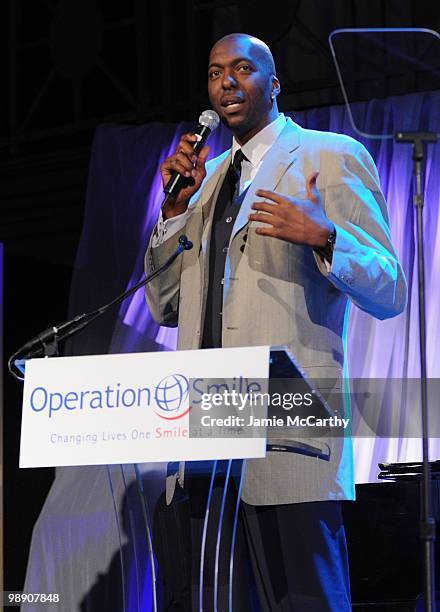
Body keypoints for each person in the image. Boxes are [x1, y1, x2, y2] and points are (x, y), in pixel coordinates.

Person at [145, 33, 407, 611]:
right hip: (206, 425)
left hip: (286, 419)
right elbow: (164, 306)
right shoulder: (205, 180)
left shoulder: (329, 155)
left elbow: (390, 288)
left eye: (243, 69)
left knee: (303, 599)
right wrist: (171, 214)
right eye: (215, 73)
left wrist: (326, 236)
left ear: (275, 84)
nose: (227, 83)